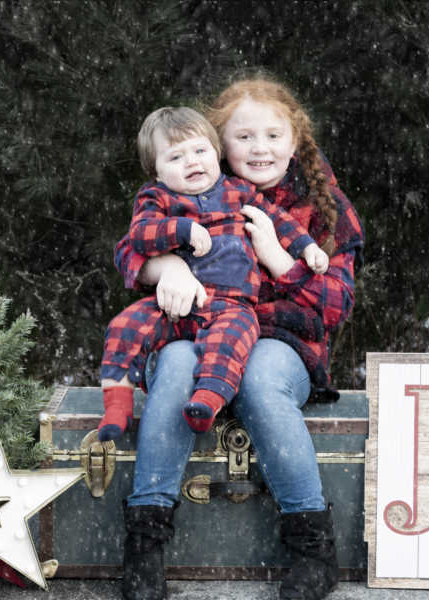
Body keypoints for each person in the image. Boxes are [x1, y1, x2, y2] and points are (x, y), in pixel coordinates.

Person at [113, 76, 363, 600]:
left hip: (281, 340)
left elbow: (336, 306)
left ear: (294, 143)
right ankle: (145, 544)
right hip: (195, 327)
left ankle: (312, 543)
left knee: (260, 379)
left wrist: (277, 257)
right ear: (219, 140)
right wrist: (166, 268)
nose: (260, 149)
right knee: (177, 369)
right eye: (244, 137)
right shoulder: (193, 179)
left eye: (273, 136)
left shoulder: (323, 205)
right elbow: (129, 248)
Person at [98, 106, 329, 441]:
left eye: (200, 151)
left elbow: (280, 222)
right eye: (176, 157)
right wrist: (181, 231)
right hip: (177, 305)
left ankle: (208, 400)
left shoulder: (240, 192)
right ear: (157, 172)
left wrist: (307, 248)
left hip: (232, 304)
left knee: (231, 340)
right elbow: (139, 235)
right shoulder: (157, 198)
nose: (192, 162)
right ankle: (117, 407)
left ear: (215, 153)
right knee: (124, 328)